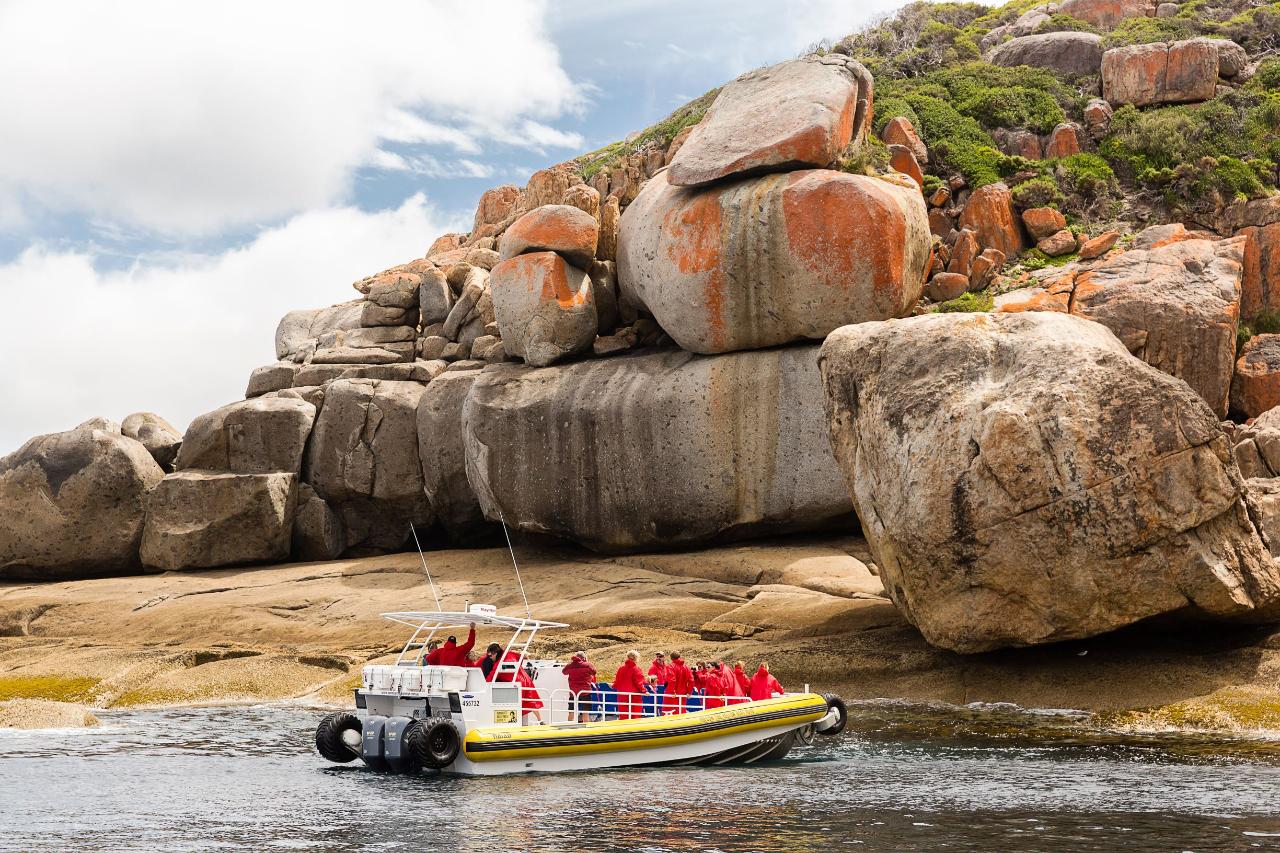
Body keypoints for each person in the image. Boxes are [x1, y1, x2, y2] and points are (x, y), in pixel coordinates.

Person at [562, 650, 597, 723]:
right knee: (585, 711)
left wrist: (570, 665)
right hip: (585, 691)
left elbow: (564, 672)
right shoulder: (587, 665)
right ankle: (586, 726)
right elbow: (594, 672)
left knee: (571, 711)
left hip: (573, 692)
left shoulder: (570, 665)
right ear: (584, 658)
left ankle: (569, 725)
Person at [612, 650, 646, 720]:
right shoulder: (636, 669)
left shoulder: (621, 669)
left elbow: (617, 681)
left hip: (622, 694)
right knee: (635, 715)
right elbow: (639, 682)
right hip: (634, 695)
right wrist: (644, 691)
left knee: (623, 714)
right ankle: (634, 728)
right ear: (636, 658)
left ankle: (624, 728)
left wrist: (613, 686)